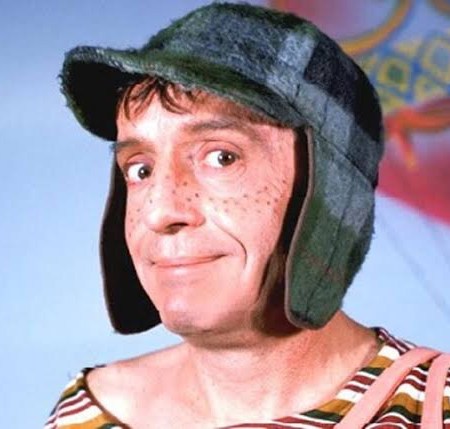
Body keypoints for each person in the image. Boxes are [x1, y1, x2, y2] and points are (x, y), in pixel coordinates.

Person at [45, 2, 450, 428]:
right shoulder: (85, 413)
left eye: (222, 157)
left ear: (330, 190)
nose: (160, 212)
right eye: (141, 169)